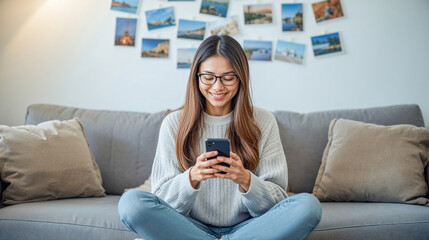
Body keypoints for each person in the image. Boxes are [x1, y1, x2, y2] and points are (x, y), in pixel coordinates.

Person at [118, 35, 322, 240]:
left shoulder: (264, 121)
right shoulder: (173, 123)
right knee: (131, 203)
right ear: (196, 77)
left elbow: (278, 200)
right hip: (190, 227)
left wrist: (245, 178)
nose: (217, 87)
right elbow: (161, 202)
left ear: (241, 77)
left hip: (249, 227)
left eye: (228, 77)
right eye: (208, 77)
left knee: (308, 206)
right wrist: (193, 177)